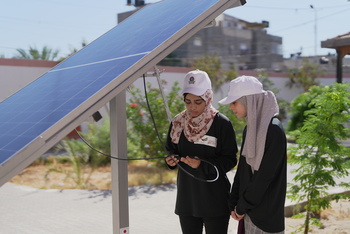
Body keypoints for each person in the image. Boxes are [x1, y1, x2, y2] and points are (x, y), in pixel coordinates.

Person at [165, 69, 238, 234]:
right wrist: (170, 160)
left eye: (198, 102)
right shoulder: (178, 123)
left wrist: (202, 165)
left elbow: (230, 159)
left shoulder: (221, 124)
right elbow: (170, 149)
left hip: (214, 199)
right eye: (188, 101)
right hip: (187, 199)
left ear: (208, 98)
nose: (192, 107)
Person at [218, 76, 287, 233]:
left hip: (266, 217)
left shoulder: (273, 129)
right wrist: (233, 201)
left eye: (234, 102)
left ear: (249, 100)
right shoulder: (250, 128)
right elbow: (243, 169)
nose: (231, 107)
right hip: (248, 211)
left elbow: (264, 177)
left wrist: (241, 206)